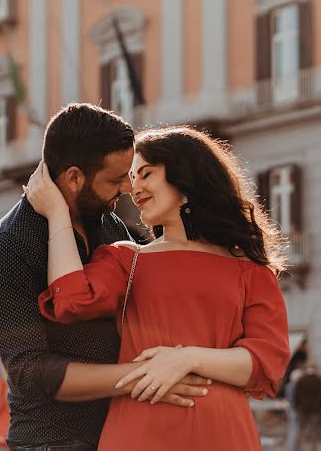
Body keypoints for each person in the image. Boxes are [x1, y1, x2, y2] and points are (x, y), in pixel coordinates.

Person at [28, 125, 291, 450]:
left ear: (185, 176)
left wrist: (187, 359)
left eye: (146, 173)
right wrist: (57, 213)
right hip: (140, 432)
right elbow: (70, 299)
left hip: (223, 435)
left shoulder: (250, 270)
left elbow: (267, 361)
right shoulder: (126, 259)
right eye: (132, 177)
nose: (134, 187)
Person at [0, 105, 211, 451]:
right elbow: (32, 371)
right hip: (54, 442)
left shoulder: (108, 222)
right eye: (116, 180)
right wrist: (143, 377)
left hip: (123, 432)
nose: (127, 189)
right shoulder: (6, 248)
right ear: (74, 178)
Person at [293, 364, 321, 451]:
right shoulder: (319, 380)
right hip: (315, 408)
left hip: (302, 408)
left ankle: (298, 448)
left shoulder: (301, 380)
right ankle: (314, 449)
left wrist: (297, 406)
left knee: (301, 430)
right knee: (314, 430)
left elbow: (296, 395)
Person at [284, 368, 303, 451]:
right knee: (294, 431)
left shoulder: (288, 386)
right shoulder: (295, 387)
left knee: (293, 430)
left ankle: (292, 448)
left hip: (291, 410)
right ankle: (292, 448)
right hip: (294, 410)